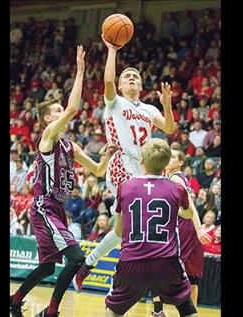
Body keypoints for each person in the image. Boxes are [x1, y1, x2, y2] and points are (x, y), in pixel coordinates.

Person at [10, 45, 116, 317]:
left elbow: (98, 170)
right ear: (48, 118)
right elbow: (72, 108)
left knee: (47, 267)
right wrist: (80, 71)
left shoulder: (71, 147)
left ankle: (13, 300)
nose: (63, 112)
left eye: (61, 110)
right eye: (57, 110)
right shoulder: (47, 137)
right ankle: (52, 311)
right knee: (78, 258)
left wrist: (108, 154)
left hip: (58, 210)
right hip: (44, 206)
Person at [73, 34, 176, 291]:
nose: (132, 78)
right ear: (119, 86)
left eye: (136, 77)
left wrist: (167, 105)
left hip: (143, 168)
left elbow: (170, 128)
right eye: (127, 77)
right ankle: (115, 280)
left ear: (141, 86)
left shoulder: (150, 109)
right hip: (120, 163)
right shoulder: (115, 102)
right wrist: (112, 51)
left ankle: (91, 266)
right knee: (130, 227)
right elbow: (107, 80)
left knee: (126, 230)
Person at [105, 139, 198, 317]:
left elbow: (118, 231)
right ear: (165, 164)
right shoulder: (177, 189)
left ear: (142, 161)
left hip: (131, 262)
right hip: (167, 261)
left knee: (113, 311)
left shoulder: (125, 187)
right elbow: (188, 214)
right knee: (186, 307)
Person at [150, 149, 211, 314]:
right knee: (192, 277)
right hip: (190, 227)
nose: (169, 159)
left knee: (160, 266)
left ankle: (158, 310)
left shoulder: (175, 177)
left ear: (180, 163)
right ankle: (192, 312)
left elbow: (190, 203)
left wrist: (199, 229)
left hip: (184, 226)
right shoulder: (182, 178)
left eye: (174, 157)